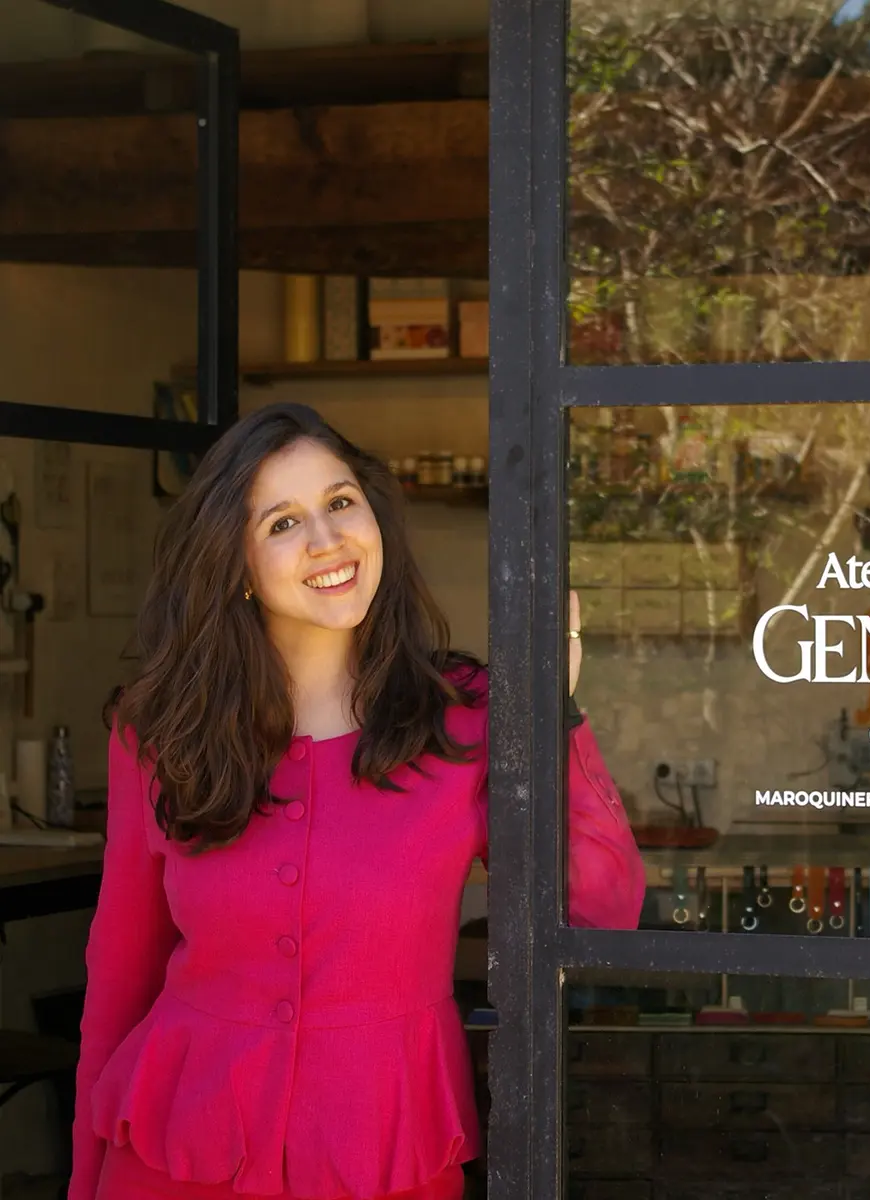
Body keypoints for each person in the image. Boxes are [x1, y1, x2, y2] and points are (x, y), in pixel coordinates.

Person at [70, 402, 646, 1200]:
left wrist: (557, 716)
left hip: (386, 1157)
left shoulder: (467, 715)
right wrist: (82, 1178)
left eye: (341, 502)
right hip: (174, 1161)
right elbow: (119, 980)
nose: (326, 540)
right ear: (234, 563)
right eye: (281, 522)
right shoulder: (159, 732)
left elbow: (601, 910)